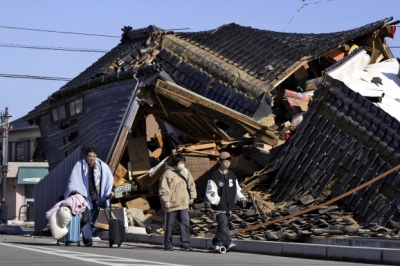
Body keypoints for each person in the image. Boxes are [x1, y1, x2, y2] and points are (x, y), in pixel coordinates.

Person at [64, 147, 113, 247]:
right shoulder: (79, 165)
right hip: (83, 196)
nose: (92, 158)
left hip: (96, 195)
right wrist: (73, 190)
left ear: (96, 157)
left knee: (93, 219)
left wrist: (108, 191)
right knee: (85, 218)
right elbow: (73, 179)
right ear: (86, 157)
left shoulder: (101, 166)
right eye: (90, 156)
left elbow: (109, 178)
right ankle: (88, 239)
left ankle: (87, 235)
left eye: (94, 156)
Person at [205, 151, 246, 252]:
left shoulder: (232, 175)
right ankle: (228, 243)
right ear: (220, 161)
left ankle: (216, 243)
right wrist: (216, 201)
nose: (227, 163)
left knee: (222, 225)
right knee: (223, 224)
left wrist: (242, 198)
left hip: (229, 206)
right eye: (225, 161)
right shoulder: (214, 175)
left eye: (229, 161)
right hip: (219, 206)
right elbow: (211, 190)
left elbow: (237, 189)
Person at [159, 153, 197, 251]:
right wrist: (166, 200)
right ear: (176, 163)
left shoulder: (186, 172)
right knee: (169, 225)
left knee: (185, 223)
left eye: (183, 162)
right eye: (180, 162)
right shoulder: (167, 174)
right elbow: (163, 189)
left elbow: (191, 184)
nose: (182, 164)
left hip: (184, 204)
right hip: (171, 204)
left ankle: (185, 244)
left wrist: (192, 196)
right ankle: (168, 244)